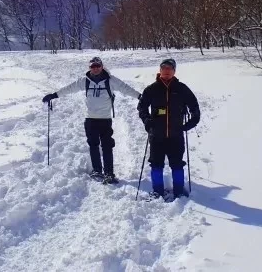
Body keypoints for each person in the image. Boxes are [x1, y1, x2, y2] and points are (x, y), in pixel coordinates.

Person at [43, 56, 141, 184]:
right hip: (90, 119)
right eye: (92, 66)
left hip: (105, 119)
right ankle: (97, 170)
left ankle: (109, 173)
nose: (95, 69)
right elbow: (70, 88)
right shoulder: (85, 81)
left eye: (97, 66)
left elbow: (125, 88)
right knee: (93, 145)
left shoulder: (111, 80)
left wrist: (140, 96)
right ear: (89, 68)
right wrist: (54, 95)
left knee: (107, 146)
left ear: (102, 66)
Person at [137, 58, 200, 198]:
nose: (166, 72)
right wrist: (147, 121)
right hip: (156, 135)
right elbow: (141, 107)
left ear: (174, 71)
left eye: (169, 69)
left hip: (176, 135)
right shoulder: (151, 89)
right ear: (159, 71)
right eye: (163, 69)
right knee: (156, 165)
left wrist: (193, 121)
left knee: (177, 165)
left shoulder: (182, 88)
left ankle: (179, 190)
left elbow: (194, 106)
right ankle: (157, 191)